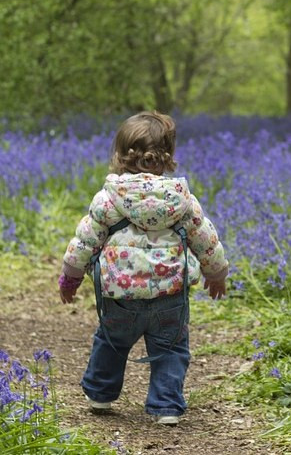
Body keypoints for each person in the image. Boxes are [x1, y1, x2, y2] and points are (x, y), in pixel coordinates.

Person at [58, 111, 228, 425]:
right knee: (171, 348)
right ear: (168, 157)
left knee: (111, 341)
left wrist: (71, 276)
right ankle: (166, 406)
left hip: (120, 295)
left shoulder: (108, 199)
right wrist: (216, 273)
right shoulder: (182, 201)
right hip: (169, 296)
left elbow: (85, 240)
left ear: (120, 156)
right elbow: (205, 238)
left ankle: (100, 394)